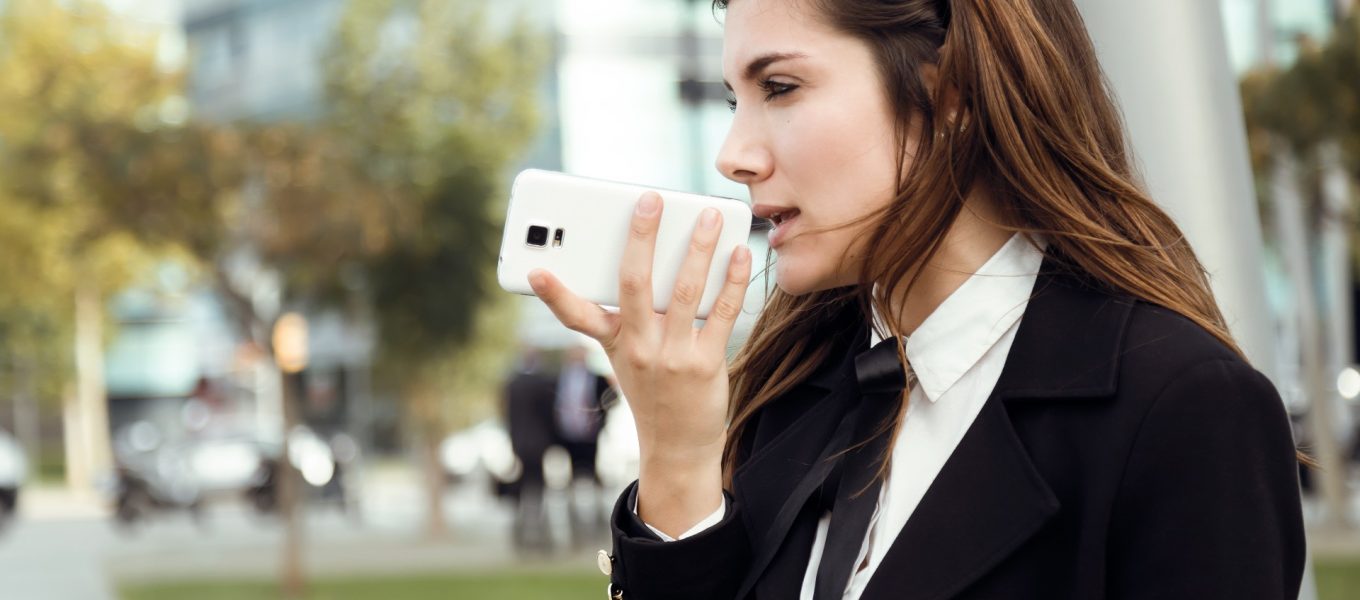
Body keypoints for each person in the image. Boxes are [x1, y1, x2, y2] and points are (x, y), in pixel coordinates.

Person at [529, 0, 1306, 598]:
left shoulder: (1182, 408)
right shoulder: (791, 389)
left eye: (781, 87)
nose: (735, 154)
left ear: (948, 92)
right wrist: (678, 461)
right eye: (735, 100)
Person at [553, 343, 614, 546]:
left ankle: (596, 521)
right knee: (571, 479)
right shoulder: (560, 378)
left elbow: (610, 399)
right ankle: (575, 524)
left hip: (590, 436)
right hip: (568, 436)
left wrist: (597, 418)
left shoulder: (596, 378)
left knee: (592, 476)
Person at [502, 347, 558, 554]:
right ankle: (536, 532)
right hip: (539, 444)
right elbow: (549, 416)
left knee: (522, 486)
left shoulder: (512, 384)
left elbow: (508, 417)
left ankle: (522, 531)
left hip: (520, 443)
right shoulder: (544, 383)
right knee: (537, 487)